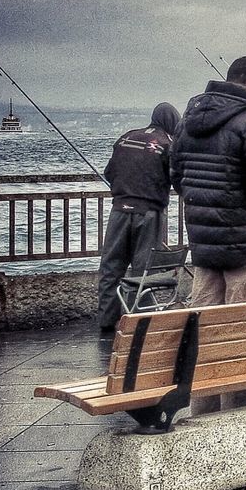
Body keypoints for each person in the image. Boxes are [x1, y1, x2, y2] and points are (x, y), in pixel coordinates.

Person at [170, 56, 246, 309]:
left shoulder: (188, 121)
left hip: (204, 241)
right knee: (244, 322)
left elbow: (176, 177)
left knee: (206, 316)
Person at [96, 102, 180, 333]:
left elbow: (109, 172)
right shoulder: (167, 144)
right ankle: (138, 322)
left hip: (119, 211)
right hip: (149, 214)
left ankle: (106, 320)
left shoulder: (126, 138)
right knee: (143, 271)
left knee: (111, 266)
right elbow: (176, 178)